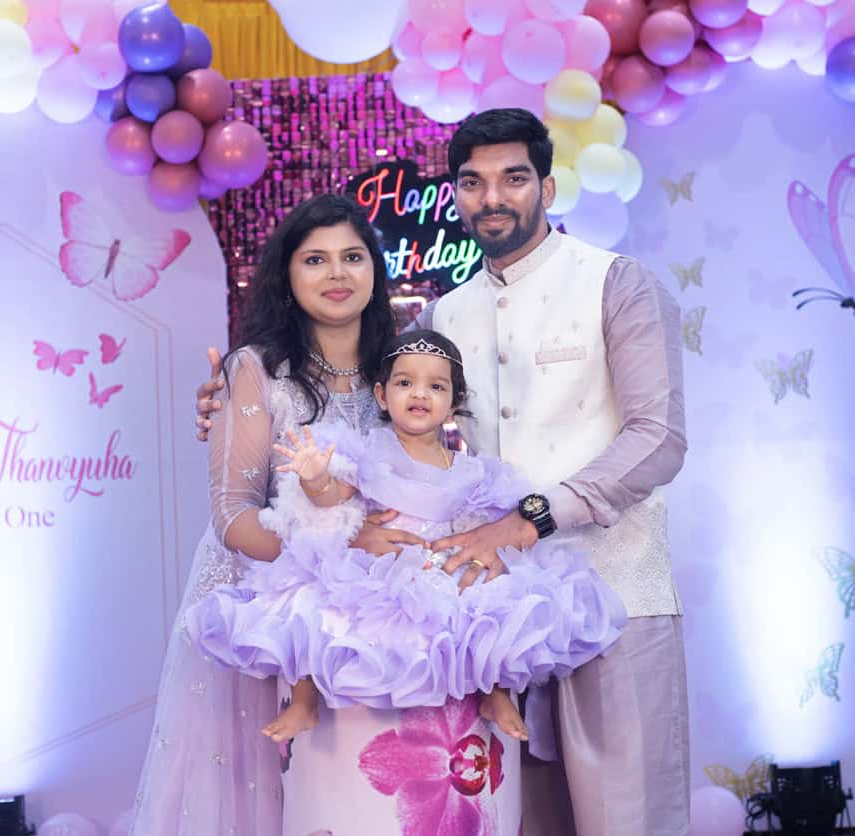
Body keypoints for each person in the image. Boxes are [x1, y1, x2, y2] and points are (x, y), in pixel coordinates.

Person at [195, 107, 689, 835]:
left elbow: (660, 438)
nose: (493, 197)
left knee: (629, 818)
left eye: (514, 178)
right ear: (455, 194)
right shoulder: (444, 315)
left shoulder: (618, 283)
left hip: (609, 594)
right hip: (468, 622)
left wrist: (531, 519)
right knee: (519, 817)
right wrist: (230, 403)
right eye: (473, 181)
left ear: (548, 187)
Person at [131, 193, 419, 836]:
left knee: (354, 797)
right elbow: (235, 517)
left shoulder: (399, 370)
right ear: (287, 278)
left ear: (375, 271)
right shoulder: (259, 370)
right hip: (261, 609)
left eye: (352, 257)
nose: (337, 274)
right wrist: (344, 549)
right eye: (315, 259)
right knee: (259, 792)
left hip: (363, 613)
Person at [184, 330, 628, 745]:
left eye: (436, 387)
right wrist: (316, 478)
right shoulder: (368, 452)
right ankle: (305, 701)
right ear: (381, 393)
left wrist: (482, 556)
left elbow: (486, 529)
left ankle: (497, 693)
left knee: (496, 606)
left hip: (443, 569)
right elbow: (332, 497)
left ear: (454, 404)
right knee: (312, 600)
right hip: (381, 569)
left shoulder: (473, 470)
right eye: (405, 383)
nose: (420, 394)